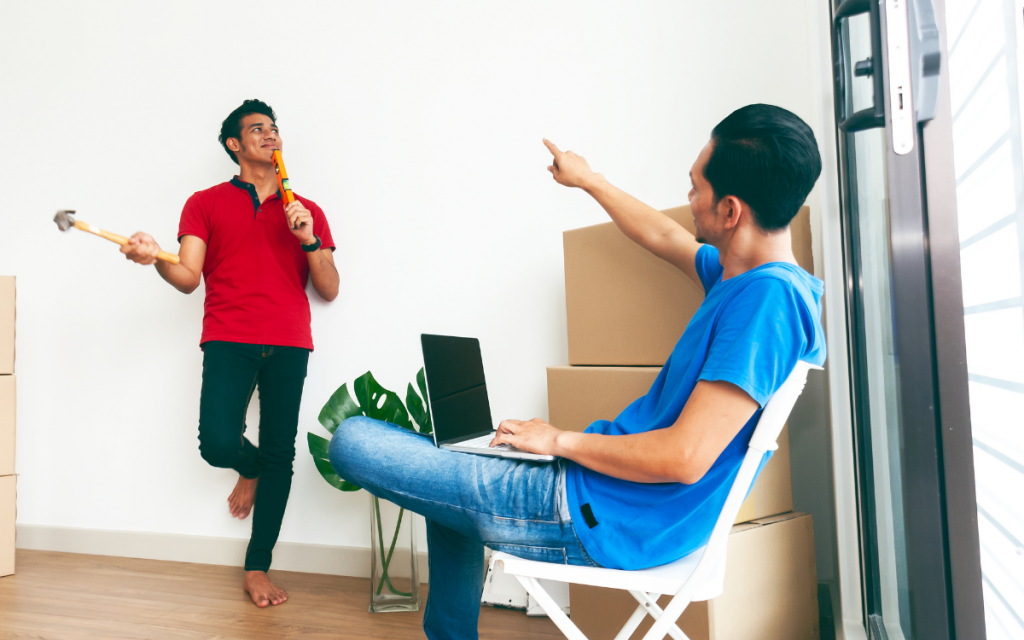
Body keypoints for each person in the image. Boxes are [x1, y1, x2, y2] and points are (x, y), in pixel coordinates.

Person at [328, 103, 825, 640]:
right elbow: (666, 237)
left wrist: (556, 440)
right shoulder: (748, 279)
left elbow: (684, 457)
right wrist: (589, 180)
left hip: (599, 514)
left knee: (351, 439)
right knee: (448, 472)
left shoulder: (766, 304)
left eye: (695, 187)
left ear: (730, 211)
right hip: (604, 497)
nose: (687, 199)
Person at [121, 99, 339, 608]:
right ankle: (251, 465)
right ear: (234, 145)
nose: (271, 135)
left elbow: (328, 288)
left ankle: (257, 567)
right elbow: (187, 275)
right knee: (217, 443)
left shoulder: (307, 210)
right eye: (257, 129)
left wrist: (308, 239)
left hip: (289, 341)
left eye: (274, 128)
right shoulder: (205, 202)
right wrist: (154, 258)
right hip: (229, 336)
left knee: (280, 454)